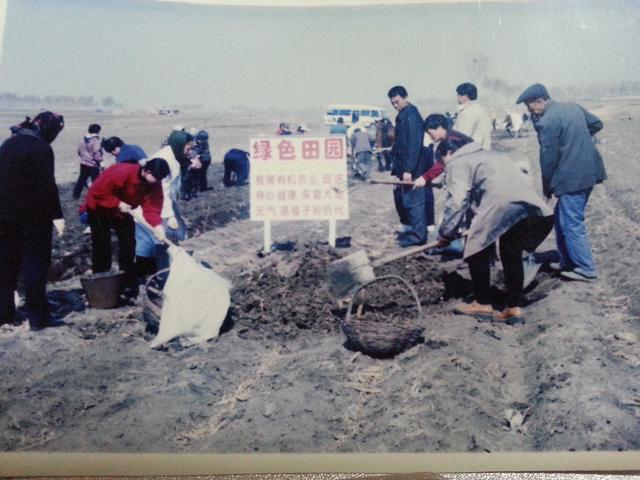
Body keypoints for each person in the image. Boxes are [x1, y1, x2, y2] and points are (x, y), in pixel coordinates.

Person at [432, 136, 554, 321]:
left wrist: (446, 234)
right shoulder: (494, 155)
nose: (444, 165)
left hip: (500, 204)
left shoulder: (457, 162)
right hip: (528, 203)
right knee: (511, 251)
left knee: (475, 246)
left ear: (448, 153)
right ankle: (513, 308)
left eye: (442, 161)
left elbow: (457, 202)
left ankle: (482, 303)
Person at [517, 83, 606, 282]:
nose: (528, 110)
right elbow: (597, 124)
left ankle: (585, 268)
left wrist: (547, 188)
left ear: (539, 101)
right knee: (561, 218)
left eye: (529, 106)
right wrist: (579, 138)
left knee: (571, 222)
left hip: (571, 178)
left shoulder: (546, 121)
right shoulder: (572, 107)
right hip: (589, 172)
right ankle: (568, 261)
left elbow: (548, 159)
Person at [0, 111, 66, 330]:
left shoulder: (8, 144)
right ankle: (39, 319)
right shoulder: (41, 148)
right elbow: (48, 185)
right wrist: (57, 215)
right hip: (34, 217)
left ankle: (4, 315)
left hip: (4, 215)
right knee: (35, 266)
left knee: (6, 265)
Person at [83, 159, 170, 298]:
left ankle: (126, 281)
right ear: (146, 171)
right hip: (99, 206)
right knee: (102, 244)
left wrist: (157, 225)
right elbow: (97, 191)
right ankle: (102, 281)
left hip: (124, 210)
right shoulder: (123, 172)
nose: (158, 181)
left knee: (128, 243)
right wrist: (116, 203)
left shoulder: (154, 183)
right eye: (157, 178)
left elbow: (152, 207)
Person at [387, 85, 429, 247]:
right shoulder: (404, 115)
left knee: (414, 202)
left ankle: (419, 237)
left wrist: (408, 170)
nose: (394, 104)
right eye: (392, 102)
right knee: (407, 201)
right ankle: (415, 232)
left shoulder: (411, 115)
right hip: (405, 167)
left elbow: (413, 145)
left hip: (412, 169)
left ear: (405, 97)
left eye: (396, 101)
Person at [453, 83, 493, 150]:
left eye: (458, 94)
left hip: (470, 154)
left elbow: (463, 136)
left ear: (465, 96)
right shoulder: (480, 109)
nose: (457, 97)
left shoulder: (467, 112)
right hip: (483, 151)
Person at [72, 123, 103, 199]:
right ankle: (97, 197)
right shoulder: (95, 140)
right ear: (98, 131)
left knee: (81, 179)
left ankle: (75, 195)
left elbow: (79, 150)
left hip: (83, 163)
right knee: (96, 181)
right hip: (93, 164)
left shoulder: (83, 139)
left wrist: (84, 158)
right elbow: (97, 152)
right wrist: (100, 160)